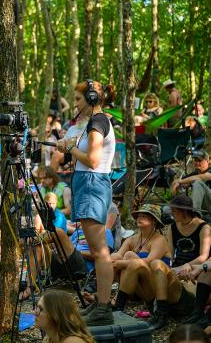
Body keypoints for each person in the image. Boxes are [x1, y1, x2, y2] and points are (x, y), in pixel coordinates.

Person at [56, 80, 117, 326]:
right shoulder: (94, 123)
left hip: (93, 183)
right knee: (96, 250)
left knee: (100, 252)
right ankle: (100, 305)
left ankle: (103, 308)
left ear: (92, 98)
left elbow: (92, 160)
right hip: (87, 183)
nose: (76, 104)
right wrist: (69, 146)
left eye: (80, 99)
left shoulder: (98, 122)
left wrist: (70, 148)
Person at [148, 195, 211, 330]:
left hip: (193, 271)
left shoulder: (204, 228)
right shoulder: (173, 227)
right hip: (177, 271)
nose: (171, 214)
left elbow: (203, 256)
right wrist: (173, 269)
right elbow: (171, 254)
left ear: (184, 212)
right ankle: (161, 314)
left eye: (174, 211)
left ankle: (162, 313)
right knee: (156, 264)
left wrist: (188, 265)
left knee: (157, 265)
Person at [110, 204, 171, 312]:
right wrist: (112, 260)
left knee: (129, 256)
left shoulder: (159, 240)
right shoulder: (132, 239)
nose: (139, 218)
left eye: (144, 216)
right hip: (134, 284)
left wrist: (122, 263)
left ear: (154, 221)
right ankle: (104, 295)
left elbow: (150, 262)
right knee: (115, 255)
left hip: (154, 287)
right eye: (138, 216)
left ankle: (117, 300)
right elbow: (117, 256)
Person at [171, 150, 211, 216]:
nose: (197, 162)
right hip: (204, 207)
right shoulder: (194, 174)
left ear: (207, 161)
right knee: (166, 210)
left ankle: (195, 213)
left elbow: (203, 177)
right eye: (195, 160)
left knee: (198, 182)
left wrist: (181, 181)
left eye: (199, 160)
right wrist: (177, 186)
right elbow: (175, 182)